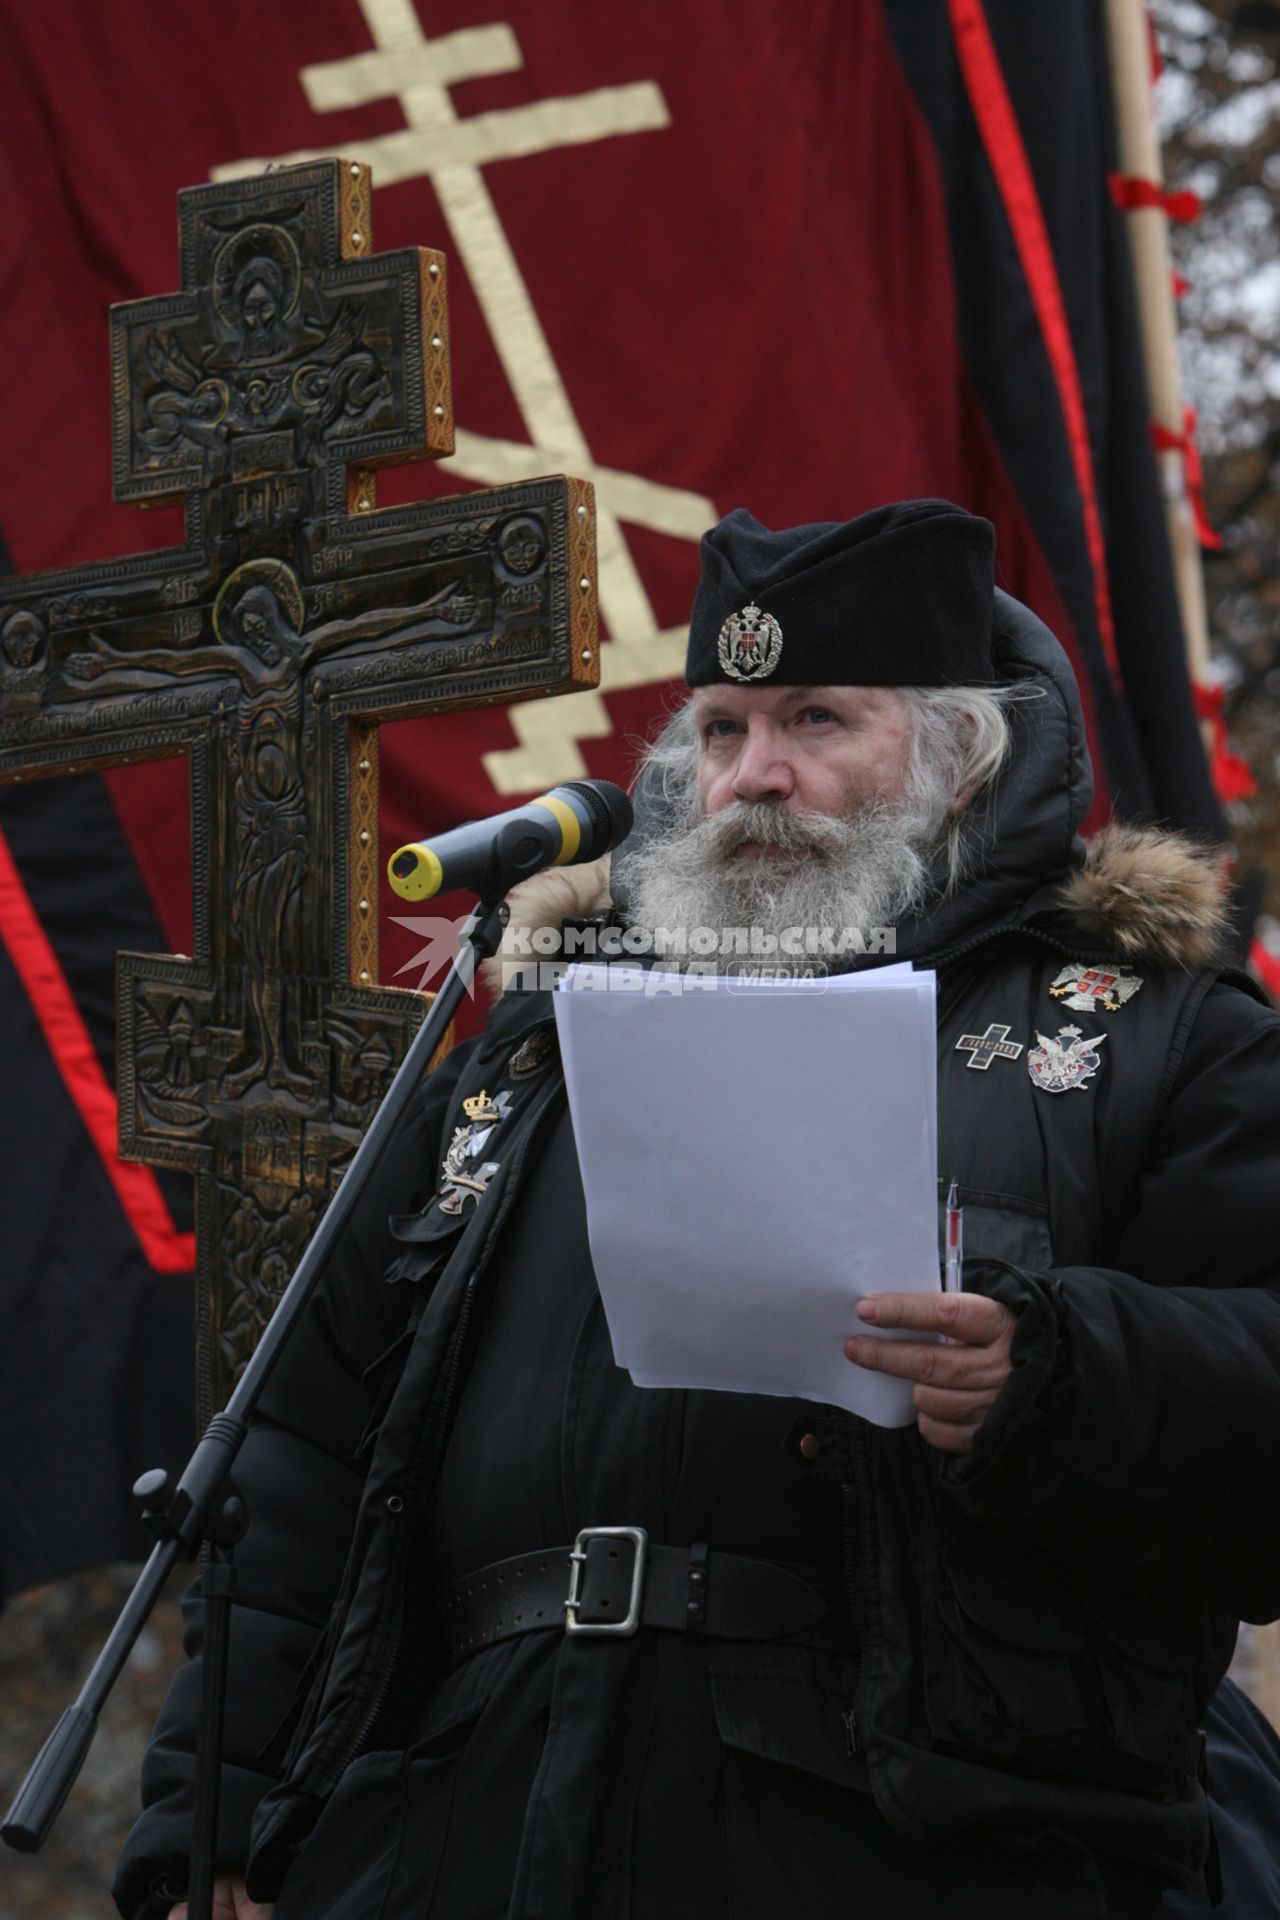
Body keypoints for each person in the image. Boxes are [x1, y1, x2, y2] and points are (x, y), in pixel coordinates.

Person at [114, 501, 1280, 1920]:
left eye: (815, 721)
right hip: (478, 1830)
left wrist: (1057, 1372)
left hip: (912, 1844)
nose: (754, 779)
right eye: (720, 731)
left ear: (962, 763)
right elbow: (299, 1459)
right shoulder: (522, 1061)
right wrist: (212, 1823)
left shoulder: (1144, 1043)